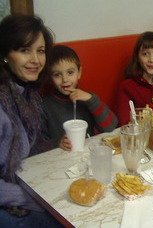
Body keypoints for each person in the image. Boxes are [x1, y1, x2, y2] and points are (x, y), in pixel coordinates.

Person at [0, 15, 62, 227]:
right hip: (9, 202)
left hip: (24, 184)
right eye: (25, 50)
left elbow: (31, 147)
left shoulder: (28, 95)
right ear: (6, 54)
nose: (36, 60)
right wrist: (35, 198)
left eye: (40, 50)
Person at [43, 45, 118, 151]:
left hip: (88, 155)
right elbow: (37, 143)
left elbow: (110, 127)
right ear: (50, 78)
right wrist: (57, 143)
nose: (65, 79)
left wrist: (91, 100)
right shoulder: (45, 106)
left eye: (70, 72)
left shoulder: (87, 99)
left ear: (79, 73)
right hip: (59, 160)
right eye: (57, 75)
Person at [116, 31, 153, 126]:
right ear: (138, 57)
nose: (151, 59)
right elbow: (126, 124)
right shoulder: (126, 87)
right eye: (145, 54)